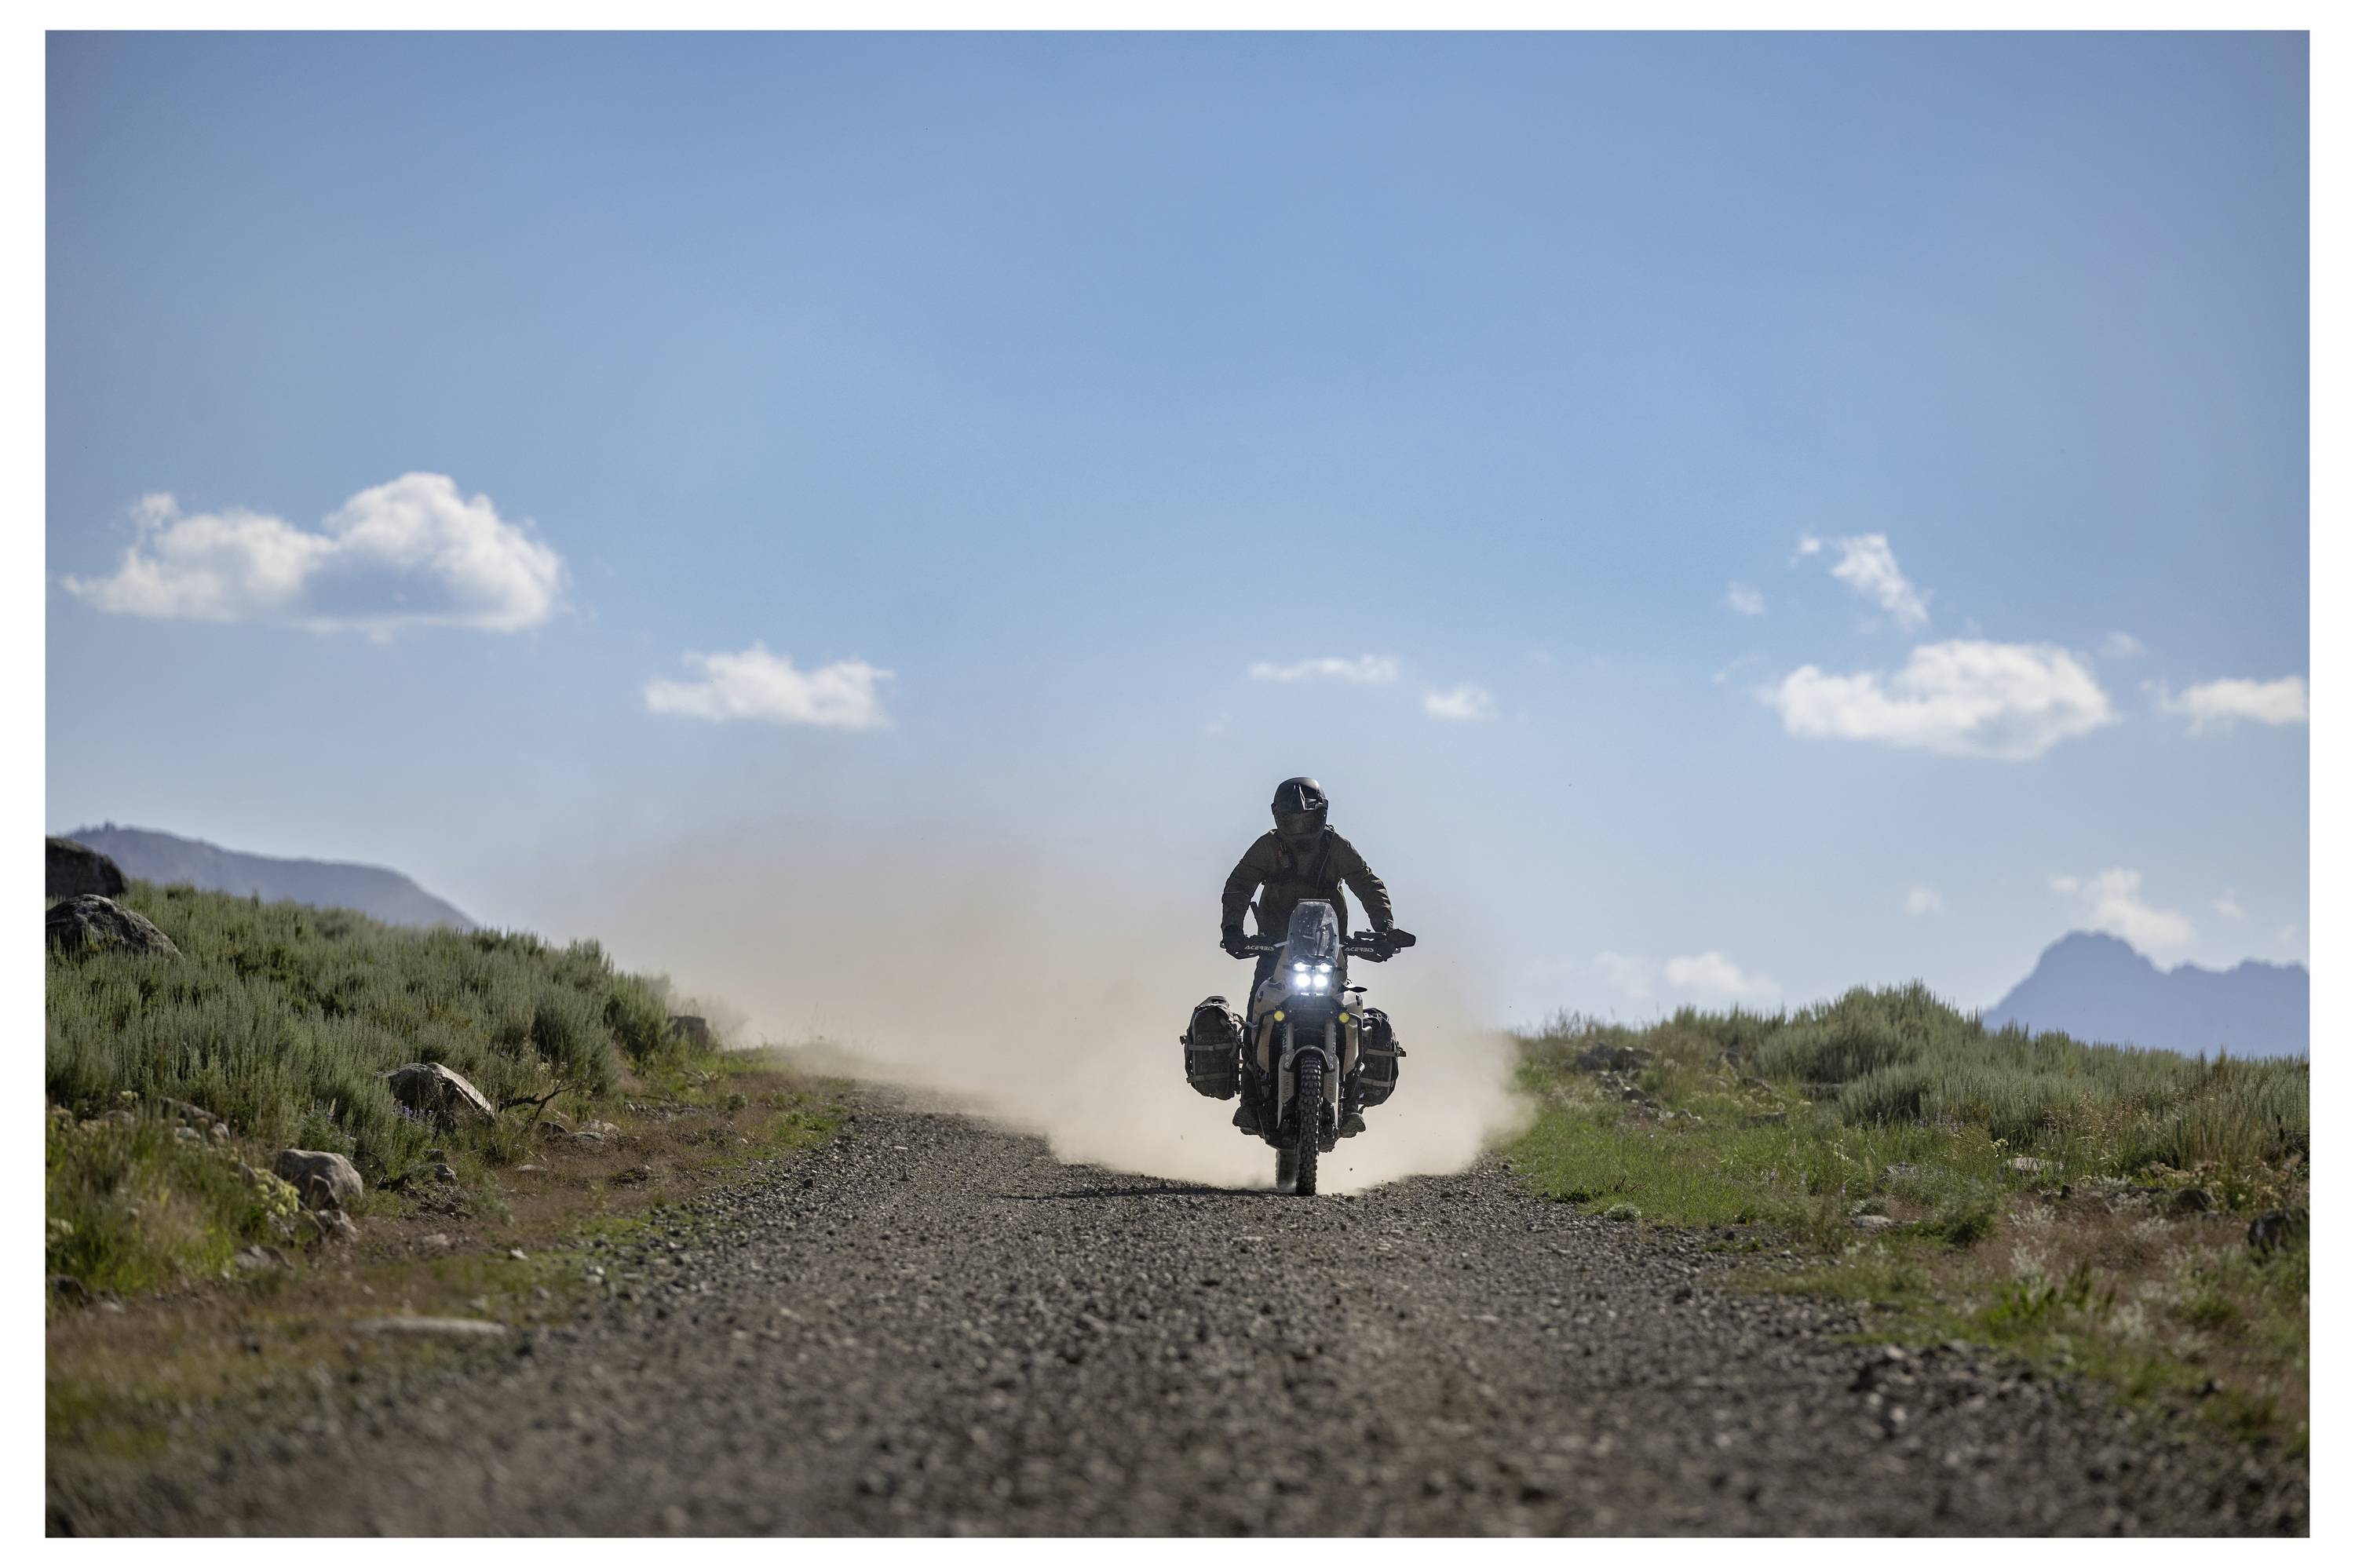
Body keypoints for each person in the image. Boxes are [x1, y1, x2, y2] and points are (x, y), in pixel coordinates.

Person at [1218, 777, 1402, 1136]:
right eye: (1291, 820)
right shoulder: (1268, 848)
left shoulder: (1336, 847)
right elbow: (1239, 884)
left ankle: (1350, 1102)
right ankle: (1250, 1101)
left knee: (1350, 1012)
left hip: (1329, 949)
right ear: (1278, 820)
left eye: (1306, 819)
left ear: (1321, 816)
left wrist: (1384, 928)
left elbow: (1366, 883)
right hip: (1276, 948)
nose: (1299, 828)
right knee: (1258, 1010)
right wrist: (1233, 932)